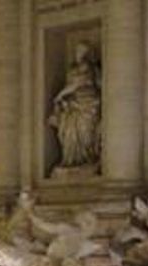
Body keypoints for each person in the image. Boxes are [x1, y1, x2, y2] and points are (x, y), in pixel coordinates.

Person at [48, 41, 102, 171]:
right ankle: (71, 159)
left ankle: (86, 157)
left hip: (87, 101)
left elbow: (77, 84)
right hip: (73, 102)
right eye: (77, 50)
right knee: (68, 130)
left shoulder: (88, 67)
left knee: (85, 131)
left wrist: (60, 96)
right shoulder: (72, 68)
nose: (78, 53)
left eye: (81, 51)